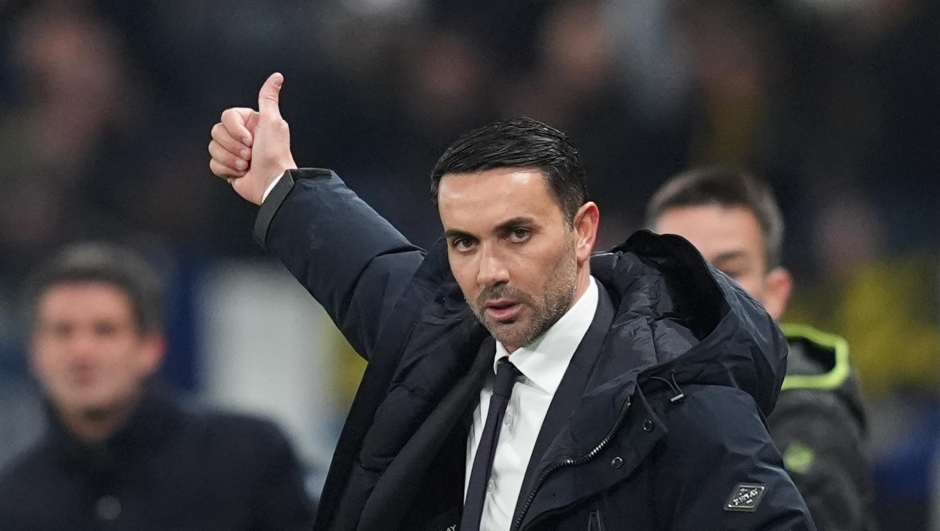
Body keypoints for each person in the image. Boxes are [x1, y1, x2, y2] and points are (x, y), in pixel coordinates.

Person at [208, 73, 814, 531]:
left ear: (583, 231)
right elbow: (365, 266)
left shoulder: (686, 402)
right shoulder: (440, 336)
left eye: (517, 234)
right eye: (463, 243)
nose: (489, 272)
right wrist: (278, 184)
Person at [0, 242, 316, 531]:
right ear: (34, 352)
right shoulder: (12, 502)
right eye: (62, 331)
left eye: (105, 330)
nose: (82, 351)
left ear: (151, 348)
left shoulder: (249, 457)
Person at [646, 167, 875, 531]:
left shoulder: (810, 420)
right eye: (678, 270)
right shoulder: (618, 400)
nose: (702, 290)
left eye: (730, 272)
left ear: (775, 293)